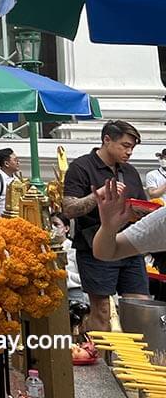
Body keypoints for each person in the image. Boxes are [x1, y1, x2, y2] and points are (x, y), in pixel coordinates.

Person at [63, 120, 149, 333]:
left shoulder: (129, 172)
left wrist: (142, 211)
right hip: (95, 247)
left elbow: (143, 203)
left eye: (132, 147)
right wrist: (99, 194)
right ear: (107, 140)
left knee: (139, 306)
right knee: (101, 309)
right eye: (125, 145)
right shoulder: (81, 167)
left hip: (130, 244)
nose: (129, 152)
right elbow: (69, 209)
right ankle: (100, 361)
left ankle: (134, 362)